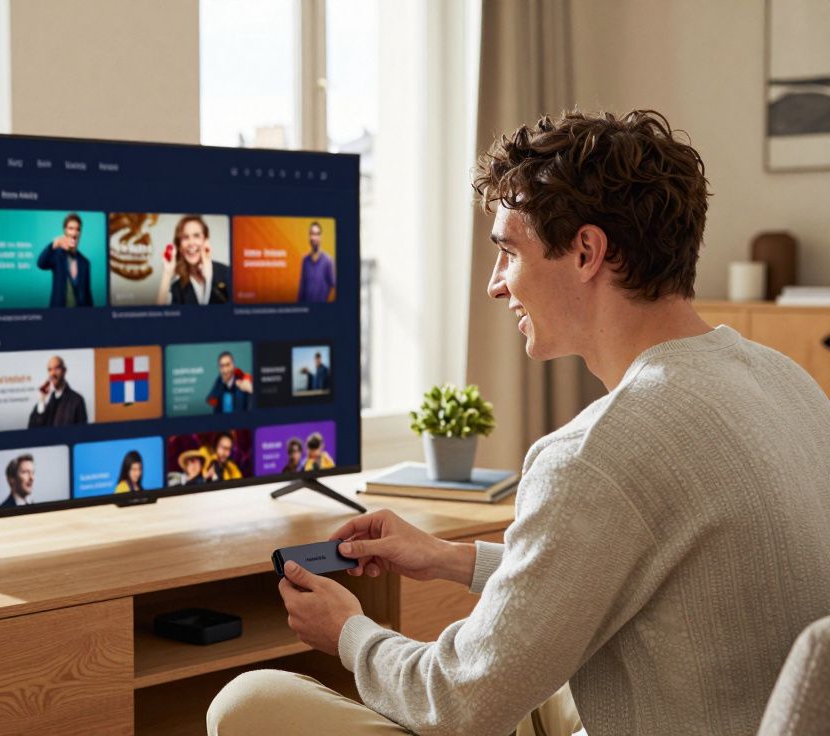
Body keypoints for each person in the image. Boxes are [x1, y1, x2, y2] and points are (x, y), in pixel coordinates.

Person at [207, 110, 830, 735]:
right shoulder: (788, 382)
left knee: (248, 703)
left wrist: (350, 633)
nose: (494, 286)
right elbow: (632, 565)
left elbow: (459, 705)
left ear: (587, 251)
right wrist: (450, 558)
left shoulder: (595, 454)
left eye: (508, 251)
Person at [157, 215, 230, 305]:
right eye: (185, 237)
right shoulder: (177, 287)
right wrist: (167, 273)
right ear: (179, 246)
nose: (191, 243)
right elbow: (160, 314)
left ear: (206, 240)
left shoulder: (227, 273)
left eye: (196, 236)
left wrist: (209, 278)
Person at [36, 213, 94, 307]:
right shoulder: (57, 255)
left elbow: (88, 295)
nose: (74, 233)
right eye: (71, 228)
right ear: (65, 231)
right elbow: (40, 263)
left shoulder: (85, 263)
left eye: (78, 229)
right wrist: (53, 245)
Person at [27, 355, 88, 427]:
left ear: (64, 370)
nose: (53, 373)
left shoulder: (77, 400)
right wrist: (42, 401)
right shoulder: (46, 400)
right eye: (50, 370)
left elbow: (82, 432)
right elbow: (32, 428)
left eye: (57, 368)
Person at [296, 221, 335, 303]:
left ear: (320, 237)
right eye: (312, 234)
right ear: (309, 237)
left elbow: (333, 285)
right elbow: (301, 289)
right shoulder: (305, 261)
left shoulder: (328, 261)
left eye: (317, 234)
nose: (314, 237)